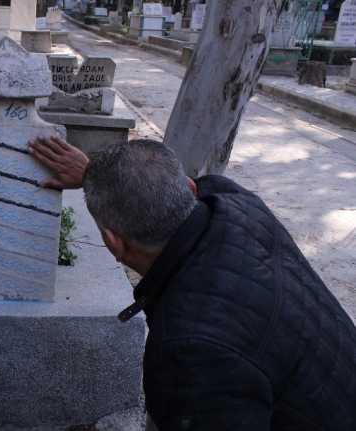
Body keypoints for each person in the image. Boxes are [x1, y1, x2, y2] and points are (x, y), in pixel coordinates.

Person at [29, 137, 356, 430]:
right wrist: (94, 176)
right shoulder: (235, 203)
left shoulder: (190, 351)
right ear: (190, 188)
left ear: (113, 243)